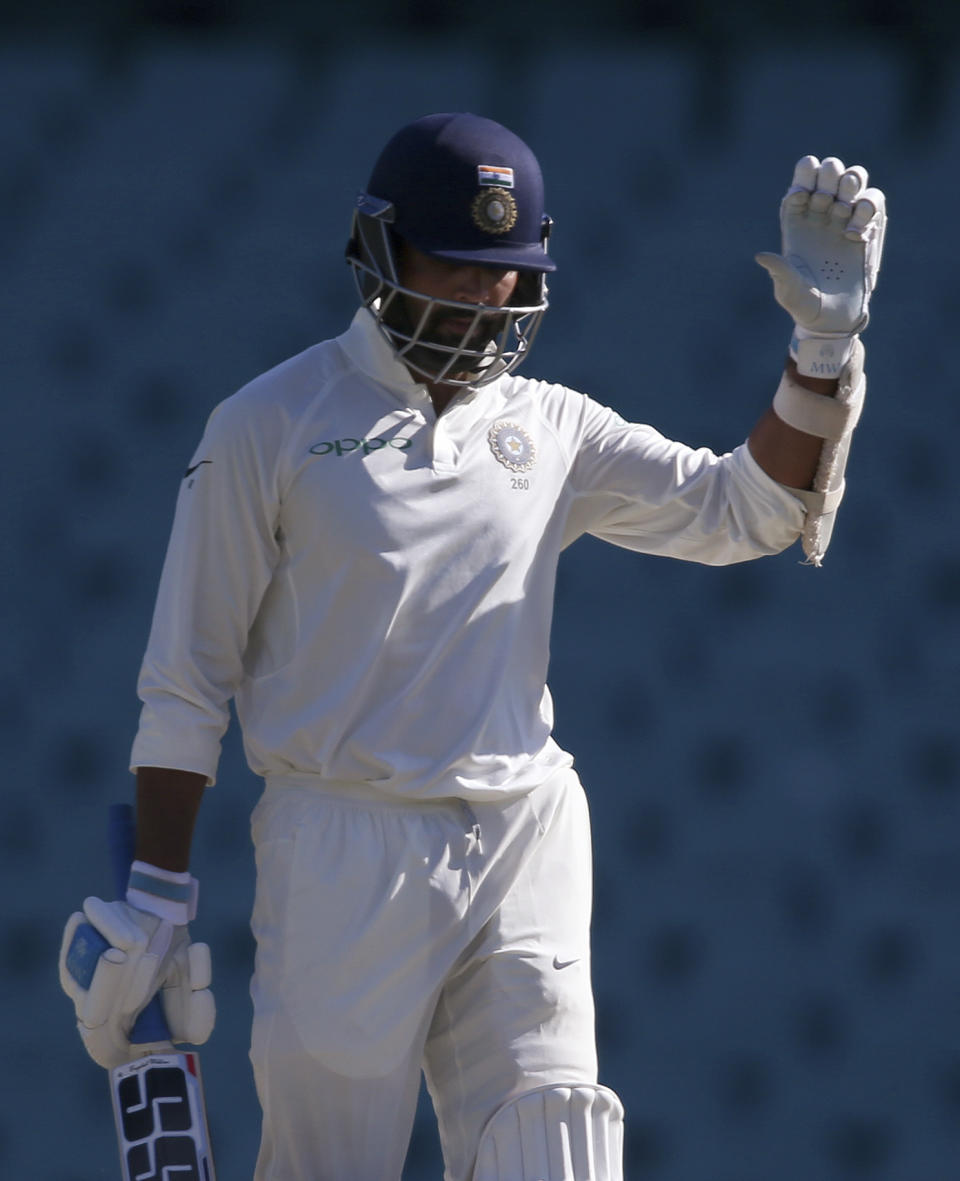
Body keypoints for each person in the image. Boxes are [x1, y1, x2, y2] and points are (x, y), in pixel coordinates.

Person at [59, 112, 886, 1180]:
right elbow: (186, 680)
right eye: (453, 263)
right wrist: (157, 895)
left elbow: (751, 506)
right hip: (341, 846)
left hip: (522, 830)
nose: (479, 294)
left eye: (503, 272)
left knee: (558, 1148)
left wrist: (819, 352)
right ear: (381, 253)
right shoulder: (268, 423)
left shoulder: (551, 426)